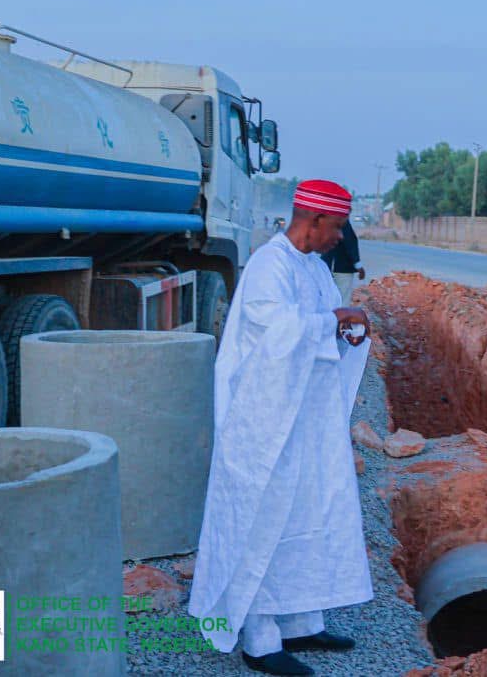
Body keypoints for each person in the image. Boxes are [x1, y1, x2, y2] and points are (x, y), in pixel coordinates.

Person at [190, 179, 373, 676]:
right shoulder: (270, 264)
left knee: (307, 512)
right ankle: (260, 637)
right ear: (313, 221)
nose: (339, 238)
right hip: (265, 422)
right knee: (264, 519)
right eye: (336, 227)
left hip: (305, 420)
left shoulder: (312, 266)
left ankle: (301, 622)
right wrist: (335, 317)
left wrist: (344, 328)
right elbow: (277, 328)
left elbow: (318, 327)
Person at [320, 219, 365, 303]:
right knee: (343, 299)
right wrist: (358, 265)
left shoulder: (324, 218)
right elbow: (350, 243)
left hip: (325, 267)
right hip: (342, 269)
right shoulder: (342, 220)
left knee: (327, 300)